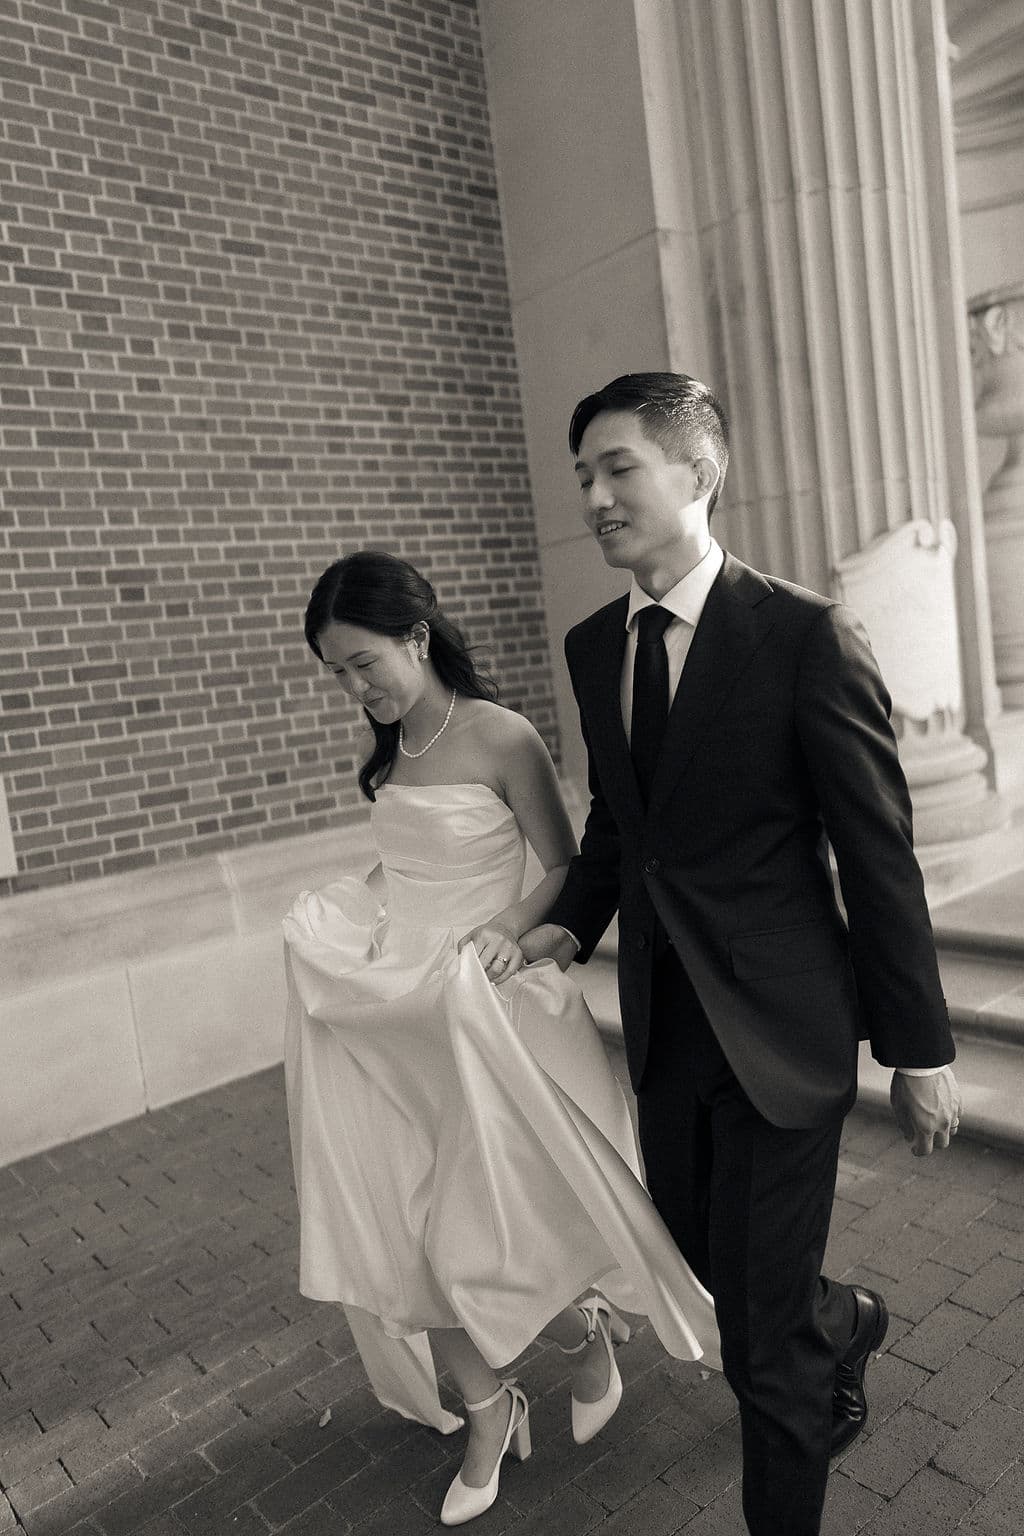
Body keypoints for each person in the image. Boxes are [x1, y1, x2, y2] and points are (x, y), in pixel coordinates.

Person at [519, 373, 963, 1536]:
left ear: (698, 472)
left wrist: (917, 1049)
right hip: (666, 1033)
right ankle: (847, 1319)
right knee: (719, 1277)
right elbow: (623, 832)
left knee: (758, 1351)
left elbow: (877, 854)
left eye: (619, 468)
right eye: (584, 477)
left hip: (784, 1033)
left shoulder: (805, 634)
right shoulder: (590, 647)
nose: (596, 496)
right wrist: (558, 927)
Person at [282, 550, 720, 1528]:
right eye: (336, 673)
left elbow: (567, 867)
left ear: (416, 637)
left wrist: (499, 938)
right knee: (403, 1227)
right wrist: (342, 916)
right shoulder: (390, 752)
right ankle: (489, 1411)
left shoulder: (501, 736)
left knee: (522, 1220)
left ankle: (590, 1338)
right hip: (405, 1011)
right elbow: (408, 874)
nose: (354, 688)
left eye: (362, 663)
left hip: (495, 1001)